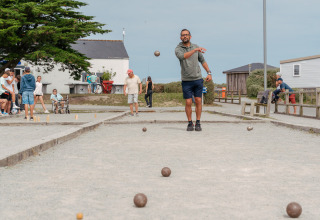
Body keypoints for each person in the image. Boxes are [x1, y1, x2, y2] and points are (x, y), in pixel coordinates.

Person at [175, 29, 212, 131]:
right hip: (186, 80)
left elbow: (202, 60)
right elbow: (183, 57)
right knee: (188, 102)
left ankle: (198, 123)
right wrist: (194, 50)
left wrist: (209, 72)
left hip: (198, 78)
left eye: (186, 35)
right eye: (183, 35)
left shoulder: (196, 46)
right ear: (180, 37)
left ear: (190, 36)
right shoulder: (178, 48)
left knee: (198, 100)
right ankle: (190, 123)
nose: (185, 36)